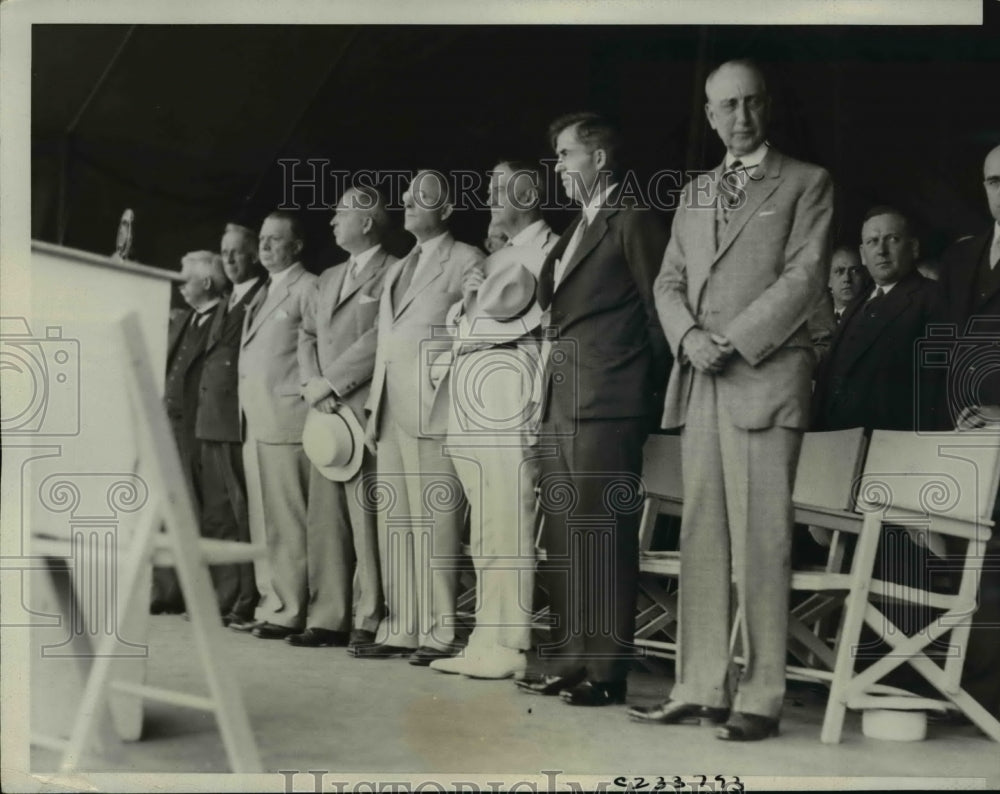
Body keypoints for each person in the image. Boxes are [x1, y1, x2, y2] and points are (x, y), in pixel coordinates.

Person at [633, 60, 832, 740]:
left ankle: (761, 695)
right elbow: (667, 282)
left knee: (763, 541)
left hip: (763, 379)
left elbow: (805, 279)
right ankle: (699, 686)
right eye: (727, 107)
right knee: (702, 538)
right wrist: (688, 336)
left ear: (764, 107)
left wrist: (734, 340)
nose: (740, 117)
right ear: (712, 117)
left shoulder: (806, 182)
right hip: (702, 382)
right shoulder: (691, 193)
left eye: (750, 103)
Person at [514, 113, 669, 707]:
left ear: (599, 159)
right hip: (561, 399)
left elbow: (659, 316)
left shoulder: (631, 218)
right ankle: (570, 660)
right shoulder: (578, 225)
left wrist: (639, 394)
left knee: (601, 536)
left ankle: (606, 671)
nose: (558, 166)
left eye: (566, 154)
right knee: (564, 537)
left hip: (608, 403)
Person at [429, 160, 556, 679]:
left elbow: (545, 330)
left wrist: (535, 404)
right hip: (474, 397)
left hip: (508, 396)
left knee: (508, 520)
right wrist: (468, 298)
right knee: (484, 526)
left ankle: (510, 643)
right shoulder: (500, 256)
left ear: (525, 194)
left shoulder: (551, 248)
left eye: (497, 189)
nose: (488, 197)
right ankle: (485, 637)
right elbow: (464, 325)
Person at [358, 169, 484, 664]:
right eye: (407, 195)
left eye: (422, 196)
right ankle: (402, 626)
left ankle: (441, 630)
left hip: (435, 408)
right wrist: (373, 407)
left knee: (437, 521)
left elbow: (474, 329)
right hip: (389, 407)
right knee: (398, 521)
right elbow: (386, 345)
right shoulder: (398, 267)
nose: (408, 202)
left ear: (447, 209)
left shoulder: (468, 259)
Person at [295, 186, 396, 649]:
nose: (333, 222)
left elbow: (380, 337)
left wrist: (332, 383)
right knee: (325, 516)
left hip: (361, 409)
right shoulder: (328, 276)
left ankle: (368, 616)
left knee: (365, 515)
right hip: (324, 412)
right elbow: (306, 333)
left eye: (341, 214)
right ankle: (327, 615)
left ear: (368, 221)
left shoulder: (394, 270)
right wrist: (314, 384)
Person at [238, 210, 317, 640]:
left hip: (287, 417)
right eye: (262, 239)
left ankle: (292, 607)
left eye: (274, 240)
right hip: (257, 417)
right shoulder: (264, 291)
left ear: (297, 245)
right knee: (263, 518)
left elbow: (317, 348)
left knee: (288, 519)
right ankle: (271, 601)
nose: (264, 247)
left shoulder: (308, 287)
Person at [942, 143, 1000, 720]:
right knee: (964, 566)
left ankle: (988, 702)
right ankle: (959, 691)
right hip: (958, 442)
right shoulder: (963, 259)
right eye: (993, 181)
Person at [812, 207, 945, 434]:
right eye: (872, 242)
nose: (881, 251)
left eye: (892, 239)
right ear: (863, 255)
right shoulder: (857, 304)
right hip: (836, 444)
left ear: (913, 248)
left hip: (892, 445)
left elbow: (935, 388)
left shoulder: (934, 298)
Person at [197, 222, 266, 628]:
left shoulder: (263, 294)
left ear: (253, 254)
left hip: (236, 419)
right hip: (212, 420)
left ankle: (246, 596)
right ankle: (222, 596)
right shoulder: (227, 300)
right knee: (218, 515)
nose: (230, 259)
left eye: (237, 251)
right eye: (224, 252)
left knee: (243, 516)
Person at [152, 250, 228, 614]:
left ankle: (202, 596)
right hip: (171, 425)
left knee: (201, 511)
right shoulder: (184, 319)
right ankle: (166, 592)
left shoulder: (224, 318)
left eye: (186, 279)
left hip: (200, 429)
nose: (180, 286)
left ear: (207, 282)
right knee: (167, 507)